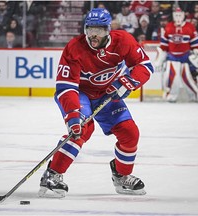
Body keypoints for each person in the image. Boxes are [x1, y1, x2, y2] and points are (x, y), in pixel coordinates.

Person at [38, 8, 154, 198]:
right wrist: (73, 115)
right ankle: (52, 175)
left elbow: (144, 66)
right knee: (80, 130)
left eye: (99, 30)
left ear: (108, 30)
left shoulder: (123, 40)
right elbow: (66, 88)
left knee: (129, 132)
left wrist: (130, 82)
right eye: (90, 29)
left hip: (108, 95)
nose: (93, 34)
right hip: (79, 94)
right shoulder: (75, 47)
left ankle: (122, 176)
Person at [154, 7, 198, 102]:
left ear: (184, 15)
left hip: (185, 57)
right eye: (176, 15)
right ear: (173, 16)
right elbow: (164, 45)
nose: (178, 17)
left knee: (187, 78)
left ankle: (195, 95)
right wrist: (161, 56)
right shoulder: (168, 26)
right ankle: (171, 96)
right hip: (172, 57)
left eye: (180, 15)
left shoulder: (190, 27)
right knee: (171, 77)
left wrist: (196, 53)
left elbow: (195, 43)